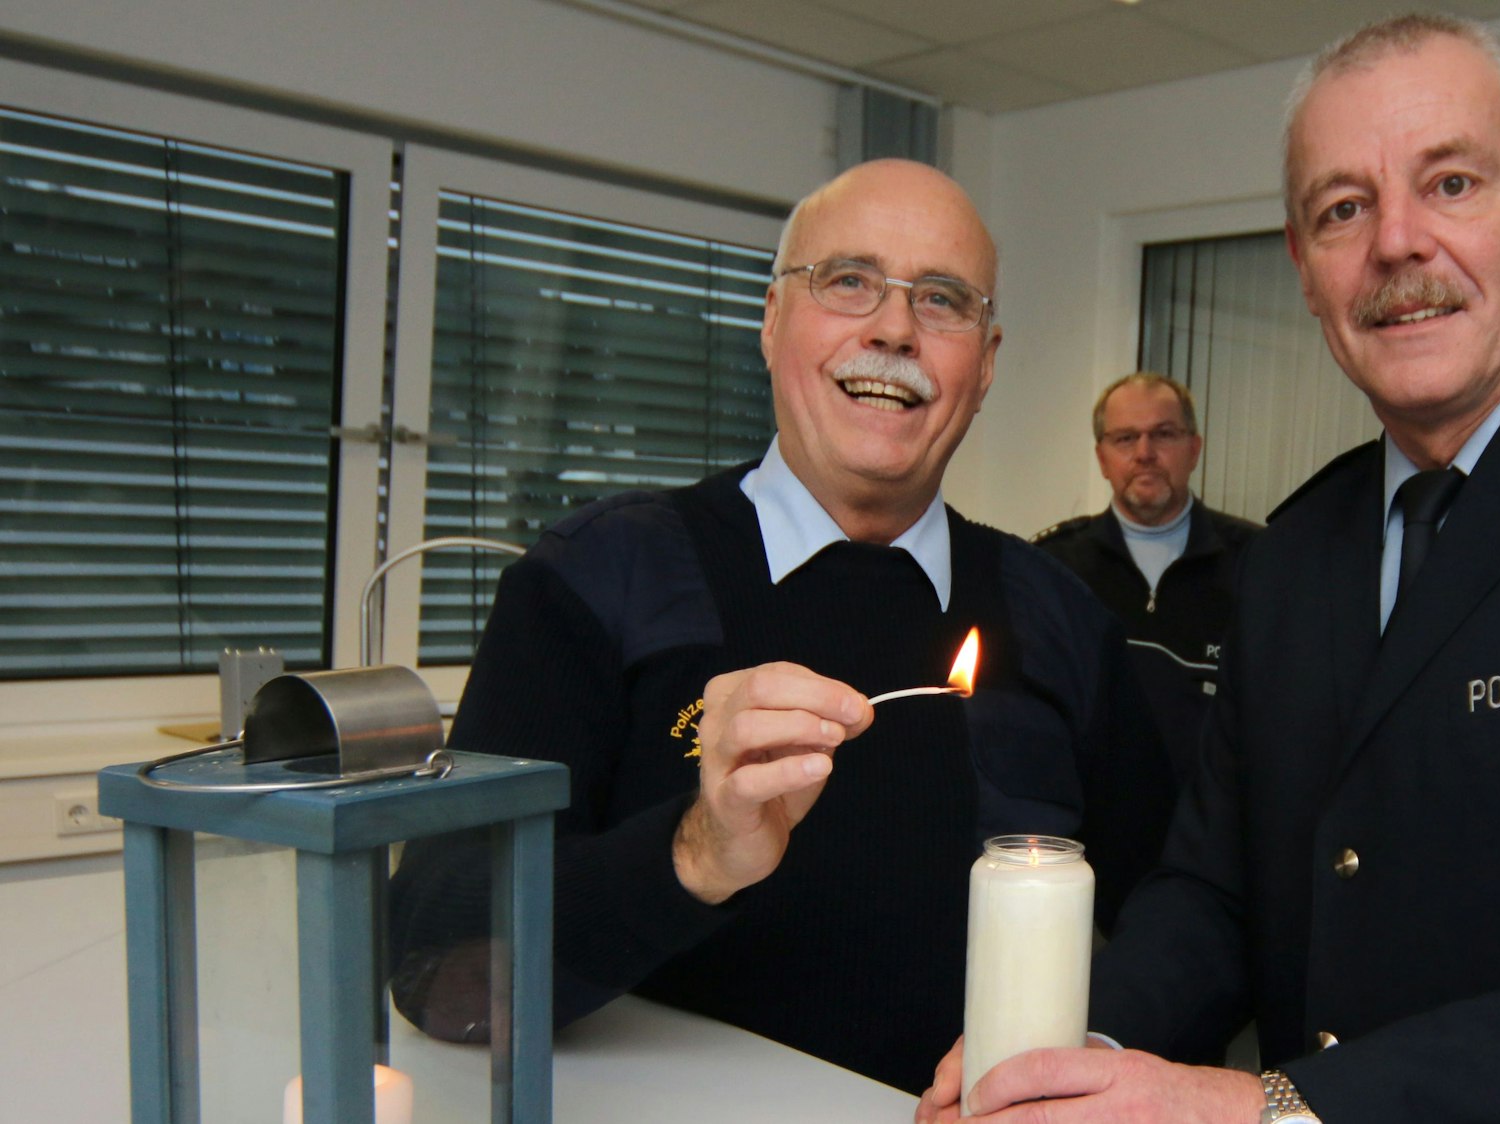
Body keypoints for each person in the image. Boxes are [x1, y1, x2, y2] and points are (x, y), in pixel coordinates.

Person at [919, 14, 1500, 1123]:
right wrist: (1072, 1051)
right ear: (1304, 264)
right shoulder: (1293, 552)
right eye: (1343, 208)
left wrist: (1270, 1106)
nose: (1398, 244)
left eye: (1452, 183)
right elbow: (1213, 892)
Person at [386, 159, 1175, 1096]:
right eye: (847, 282)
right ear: (770, 323)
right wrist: (691, 855)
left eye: (942, 300)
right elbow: (435, 964)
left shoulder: (1060, 616)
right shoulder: (600, 576)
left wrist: (1092, 1063)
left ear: (987, 362)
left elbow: (1180, 909)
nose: (892, 329)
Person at [1033, 373, 1260, 781]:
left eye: (1164, 434)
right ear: (1102, 458)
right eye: (1125, 439)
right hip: (1087, 829)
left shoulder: (1257, 563)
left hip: (1209, 830)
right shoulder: (1054, 567)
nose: (1145, 453)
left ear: (1194, 449)